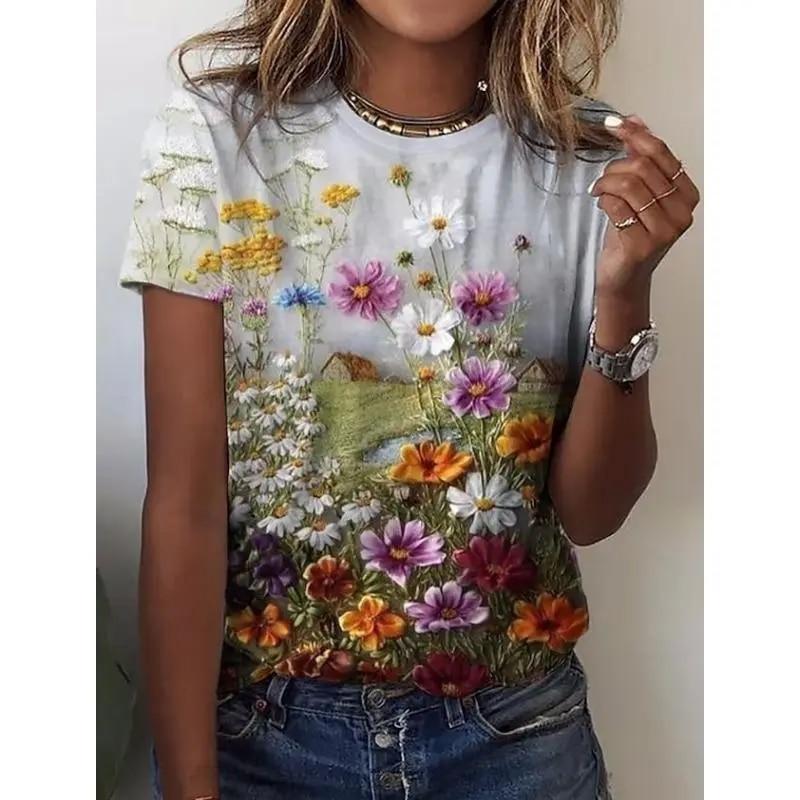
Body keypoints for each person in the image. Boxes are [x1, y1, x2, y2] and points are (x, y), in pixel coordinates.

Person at [118, 1, 699, 798]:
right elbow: (185, 505)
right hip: (262, 741)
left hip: (516, 742)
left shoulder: (593, 162)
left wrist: (626, 292)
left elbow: (591, 513)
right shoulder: (216, 136)